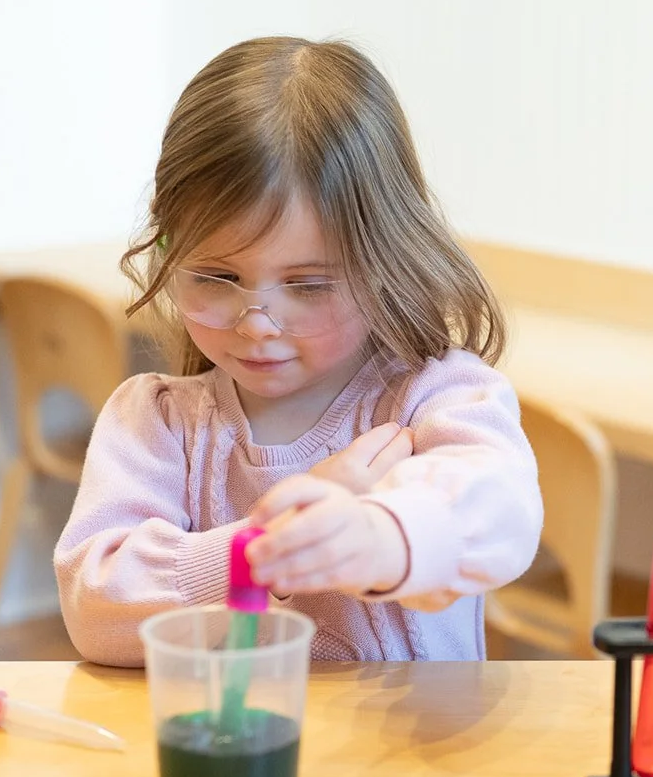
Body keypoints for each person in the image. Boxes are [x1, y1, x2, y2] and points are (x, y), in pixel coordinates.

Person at [56, 37, 541, 663]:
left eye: (308, 286)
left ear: (386, 261)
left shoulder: (435, 397)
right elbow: (94, 609)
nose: (257, 325)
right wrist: (263, 548)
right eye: (215, 278)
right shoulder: (156, 421)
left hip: (403, 761)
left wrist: (379, 535)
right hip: (239, 748)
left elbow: (504, 509)